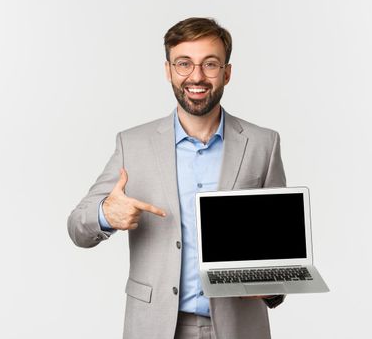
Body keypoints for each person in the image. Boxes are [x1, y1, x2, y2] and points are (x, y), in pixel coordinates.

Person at [68, 17, 287, 339]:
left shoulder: (263, 143)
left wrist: (272, 287)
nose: (196, 76)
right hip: (156, 325)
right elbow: (77, 228)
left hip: (239, 325)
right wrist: (105, 214)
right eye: (184, 64)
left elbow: (280, 241)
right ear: (168, 70)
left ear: (227, 73)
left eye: (209, 64)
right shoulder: (134, 144)